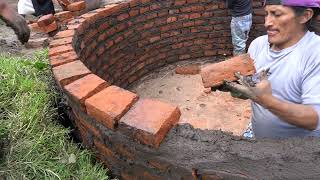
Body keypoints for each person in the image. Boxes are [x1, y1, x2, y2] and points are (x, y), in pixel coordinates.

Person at [225, 0, 320, 138]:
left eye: (277, 14)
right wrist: (239, 88)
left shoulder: (314, 53)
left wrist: (267, 101)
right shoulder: (258, 45)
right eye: (266, 14)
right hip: (260, 141)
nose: (267, 23)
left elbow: (314, 119)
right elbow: (254, 86)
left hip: (299, 152)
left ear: (305, 16)